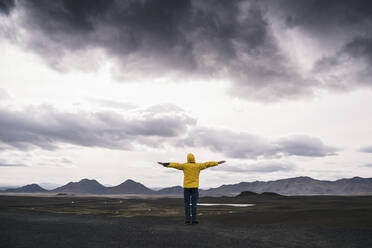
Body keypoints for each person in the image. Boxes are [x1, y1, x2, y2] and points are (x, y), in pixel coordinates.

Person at [158, 153, 226, 225]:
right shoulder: (198, 166)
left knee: (187, 204)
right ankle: (194, 220)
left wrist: (164, 164)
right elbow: (207, 164)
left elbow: (175, 165)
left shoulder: (184, 166)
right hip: (194, 188)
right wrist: (217, 163)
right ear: (194, 158)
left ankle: (187, 220)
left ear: (188, 158)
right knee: (194, 204)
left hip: (186, 188)